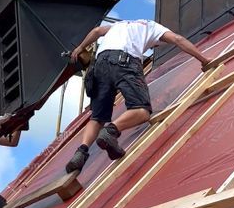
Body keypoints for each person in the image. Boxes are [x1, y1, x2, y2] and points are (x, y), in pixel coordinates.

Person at [63, 17, 214, 175]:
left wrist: (80, 48)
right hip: (124, 60)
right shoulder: (152, 27)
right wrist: (203, 60)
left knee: (97, 117)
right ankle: (111, 131)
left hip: (99, 65)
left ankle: (81, 152)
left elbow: (96, 31)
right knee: (142, 111)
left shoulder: (120, 25)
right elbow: (177, 39)